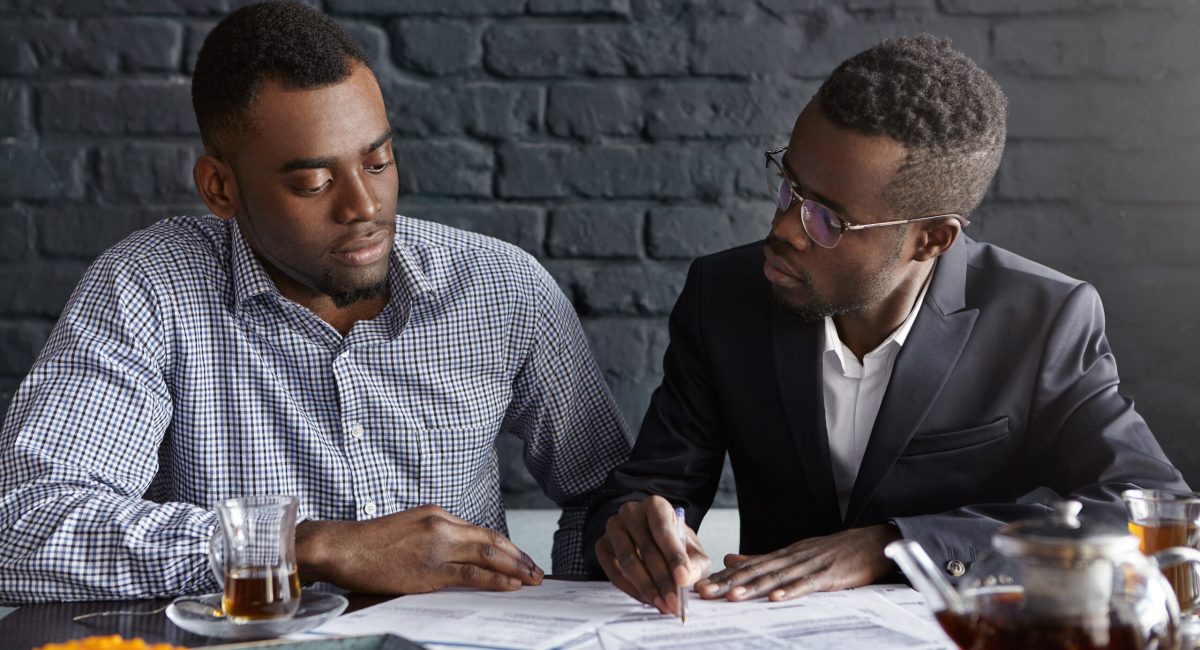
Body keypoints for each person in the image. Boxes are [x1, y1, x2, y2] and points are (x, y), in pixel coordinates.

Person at [0, 0, 630, 602]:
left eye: (379, 161)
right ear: (220, 188)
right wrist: (310, 547)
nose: (364, 206)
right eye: (313, 182)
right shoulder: (150, 290)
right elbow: (21, 525)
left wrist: (595, 580)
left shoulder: (502, 288)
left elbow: (606, 494)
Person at [585, 34, 1188, 615]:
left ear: (931, 239)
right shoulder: (723, 296)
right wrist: (640, 524)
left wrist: (893, 545)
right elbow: (651, 486)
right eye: (788, 185)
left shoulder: (1043, 321)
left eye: (828, 220)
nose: (786, 227)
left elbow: (1150, 515)